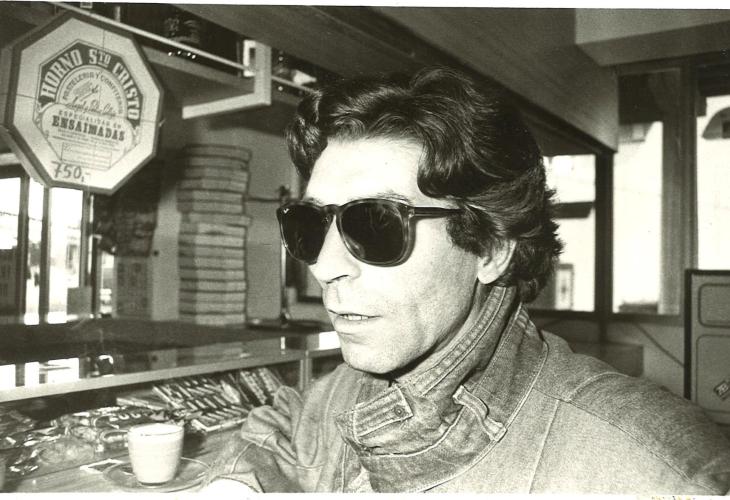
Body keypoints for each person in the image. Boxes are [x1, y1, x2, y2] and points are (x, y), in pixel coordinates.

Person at [202, 67, 730, 494]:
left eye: (376, 225)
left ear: (491, 248)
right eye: (311, 224)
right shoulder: (353, 387)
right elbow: (285, 421)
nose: (323, 266)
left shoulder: (653, 469)